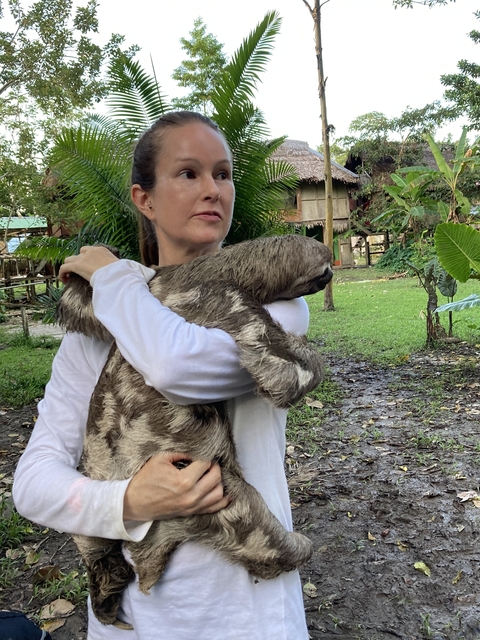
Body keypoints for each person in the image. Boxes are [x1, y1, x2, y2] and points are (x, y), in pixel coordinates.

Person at [12, 111, 311, 640]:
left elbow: (179, 368)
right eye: (189, 173)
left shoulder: (277, 305)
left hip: (250, 615)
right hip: (136, 619)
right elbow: (33, 484)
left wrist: (112, 277)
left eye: (223, 174)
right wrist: (130, 501)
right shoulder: (94, 329)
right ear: (144, 199)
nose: (212, 190)